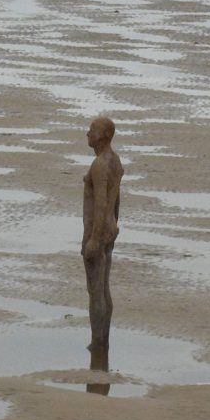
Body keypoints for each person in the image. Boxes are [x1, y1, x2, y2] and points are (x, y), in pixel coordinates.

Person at [81, 115, 123, 351]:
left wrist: (93, 240)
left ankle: (98, 341)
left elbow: (100, 203)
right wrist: (113, 226)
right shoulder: (115, 161)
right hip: (110, 229)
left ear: (104, 135)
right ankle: (102, 341)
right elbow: (116, 201)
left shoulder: (100, 165)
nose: (87, 133)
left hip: (98, 232)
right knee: (103, 287)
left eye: (92, 130)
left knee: (96, 290)